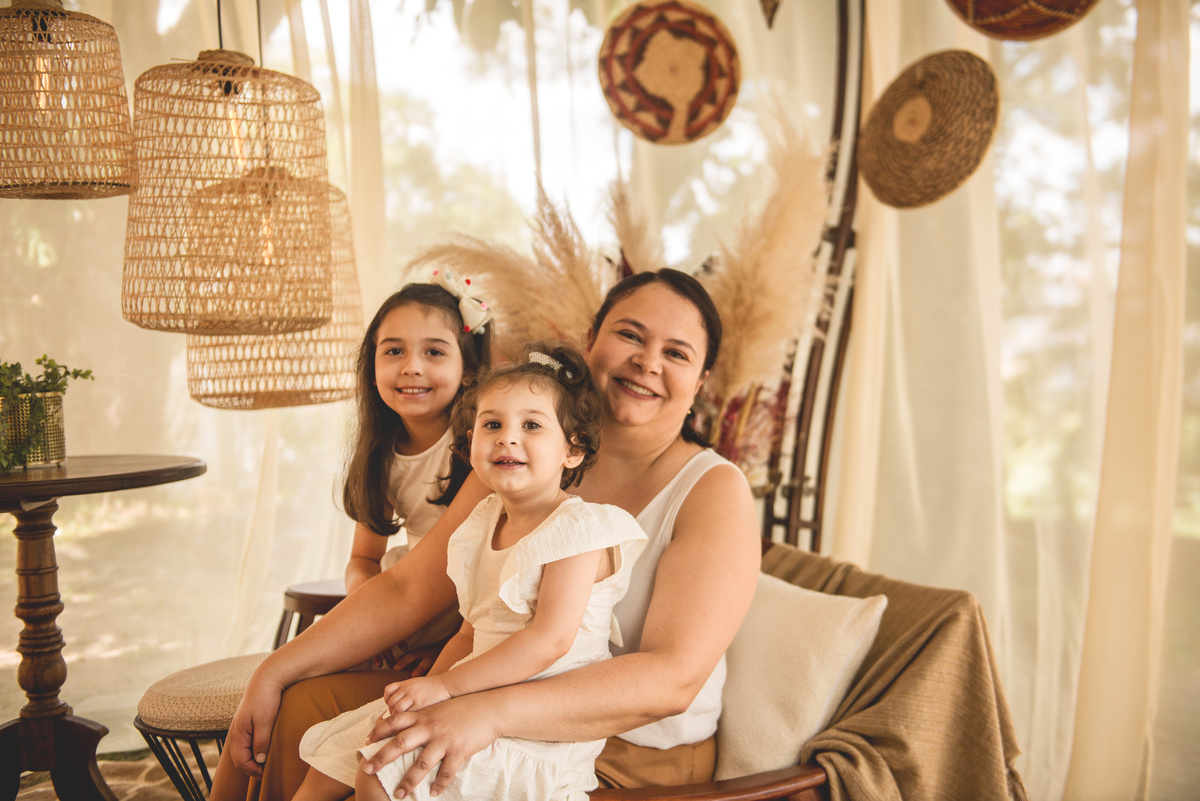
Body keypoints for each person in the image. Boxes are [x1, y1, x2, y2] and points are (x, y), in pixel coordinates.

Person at [214, 268, 761, 801]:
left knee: (388, 770)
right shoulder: (516, 458)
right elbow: (409, 587)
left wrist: (481, 712)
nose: (647, 362)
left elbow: (672, 679)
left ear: (701, 381)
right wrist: (274, 670)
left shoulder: (714, 490)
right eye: (630, 335)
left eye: (677, 353)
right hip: (488, 693)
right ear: (591, 340)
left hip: (625, 751)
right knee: (302, 706)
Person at [293, 343, 647, 801]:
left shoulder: (578, 530)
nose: (507, 438)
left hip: (535, 727)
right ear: (469, 443)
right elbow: (468, 633)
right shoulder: (482, 523)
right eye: (492, 424)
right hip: (470, 696)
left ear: (572, 449)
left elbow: (549, 641)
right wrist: (426, 693)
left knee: (379, 773)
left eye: (532, 425)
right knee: (336, 760)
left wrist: (445, 687)